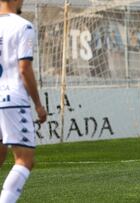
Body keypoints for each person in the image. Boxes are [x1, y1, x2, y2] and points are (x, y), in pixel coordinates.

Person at [0, 0, 47, 202]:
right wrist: (38, 104)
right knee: (24, 159)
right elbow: (24, 68)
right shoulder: (22, 26)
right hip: (12, 99)